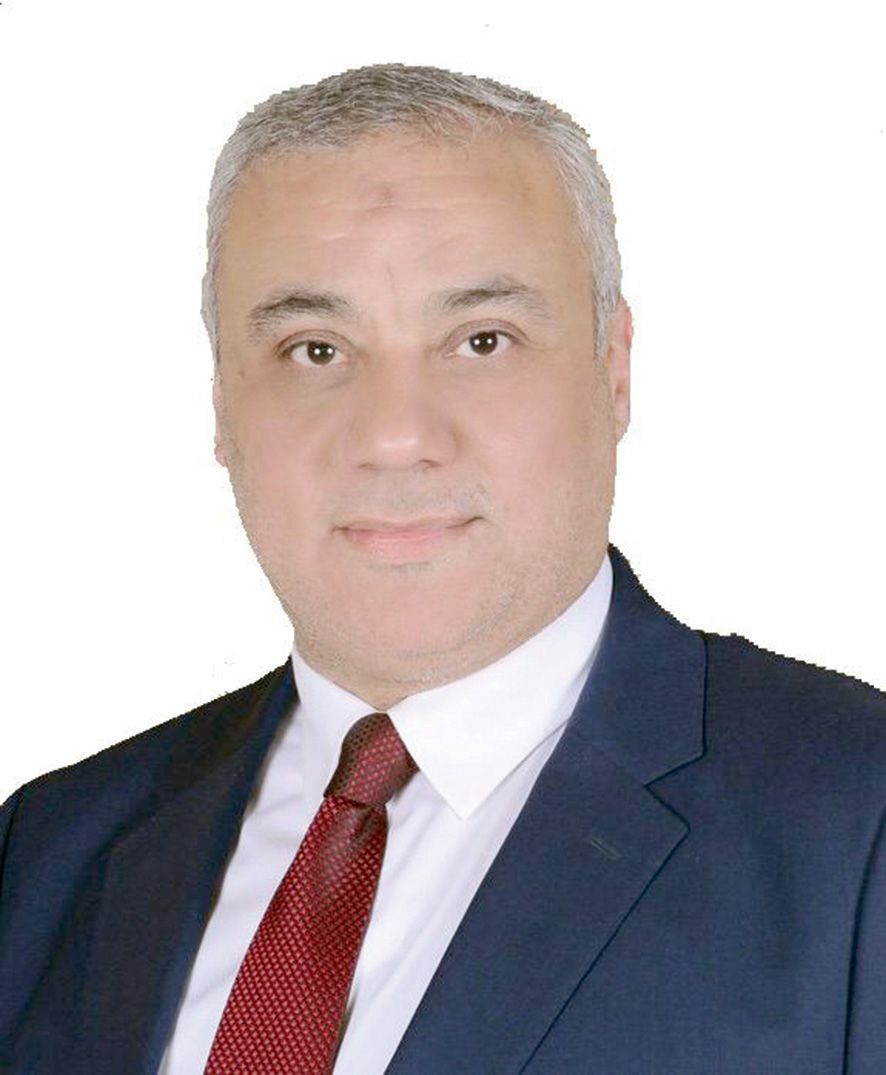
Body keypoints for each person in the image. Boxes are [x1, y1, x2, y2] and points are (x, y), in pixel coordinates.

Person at [1, 63, 884, 1075]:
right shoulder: (47, 855)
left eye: (481, 340)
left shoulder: (857, 828)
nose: (394, 436)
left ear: (614, 369)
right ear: (220, 404)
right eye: (315, 350)